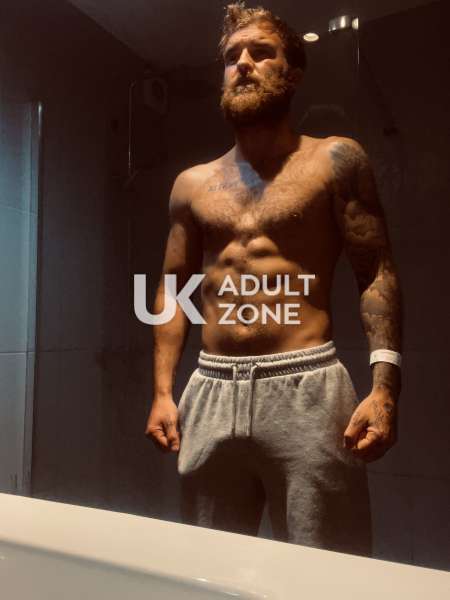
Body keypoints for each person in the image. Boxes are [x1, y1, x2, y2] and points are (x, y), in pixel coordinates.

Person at [145, 2, 402, 557]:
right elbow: (171, 288)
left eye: (261, 52)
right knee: (207, 569)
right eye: (231, 56)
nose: (243, 63)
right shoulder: (191, 184)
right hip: (210, 389)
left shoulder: (335, 160)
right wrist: (163, 391)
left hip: (306, 386)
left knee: (326, 572)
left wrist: (385, 387)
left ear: (293, 71)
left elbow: (375, 273)